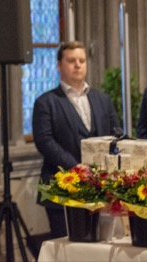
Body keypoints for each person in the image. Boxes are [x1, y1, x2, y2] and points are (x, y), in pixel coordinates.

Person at [32, 40, 120, 239]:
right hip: (61, 188)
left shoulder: (102, 99)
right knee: (67, 247)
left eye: (82, 60)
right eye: (71, 61)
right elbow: (45, 142)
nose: (78, 65)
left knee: (102, 246)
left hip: (101, 188)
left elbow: (116, 134)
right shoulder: (46, 102)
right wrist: (76, 167)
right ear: (59, 65)